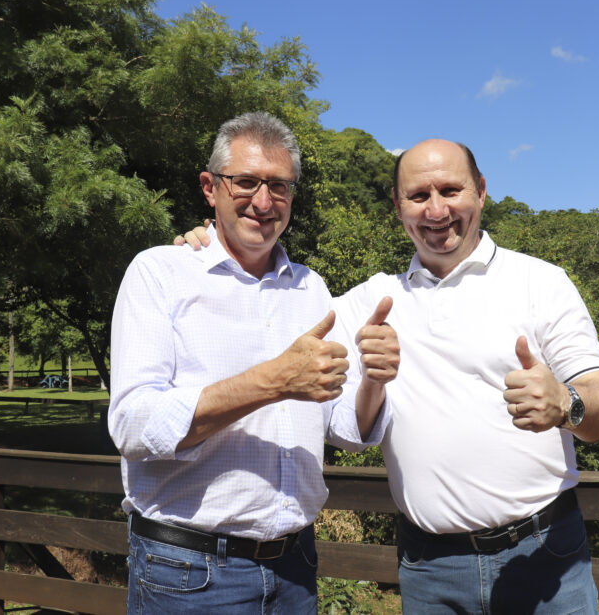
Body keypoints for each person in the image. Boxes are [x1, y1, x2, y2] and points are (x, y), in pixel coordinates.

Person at [181, 137, 599, 613]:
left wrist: (566, 403)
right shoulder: (370, 300)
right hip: (430, 569)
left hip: (544, 554)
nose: (436, 210)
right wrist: (208, 247)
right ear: (398, 207)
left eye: (451, 190)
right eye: (418, 196)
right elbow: (272, 308)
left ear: (481, 192)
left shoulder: (541, 282)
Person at [109, 111, 399, 614]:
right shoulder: (159, 273)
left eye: (279, 187)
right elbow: (134, 427)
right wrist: (272, 381)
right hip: (189, 572)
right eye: (245, 182)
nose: (263, 203)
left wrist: (373, 379)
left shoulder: (311, 288)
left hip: (295, 569)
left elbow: (345, 428)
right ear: (210, 187)